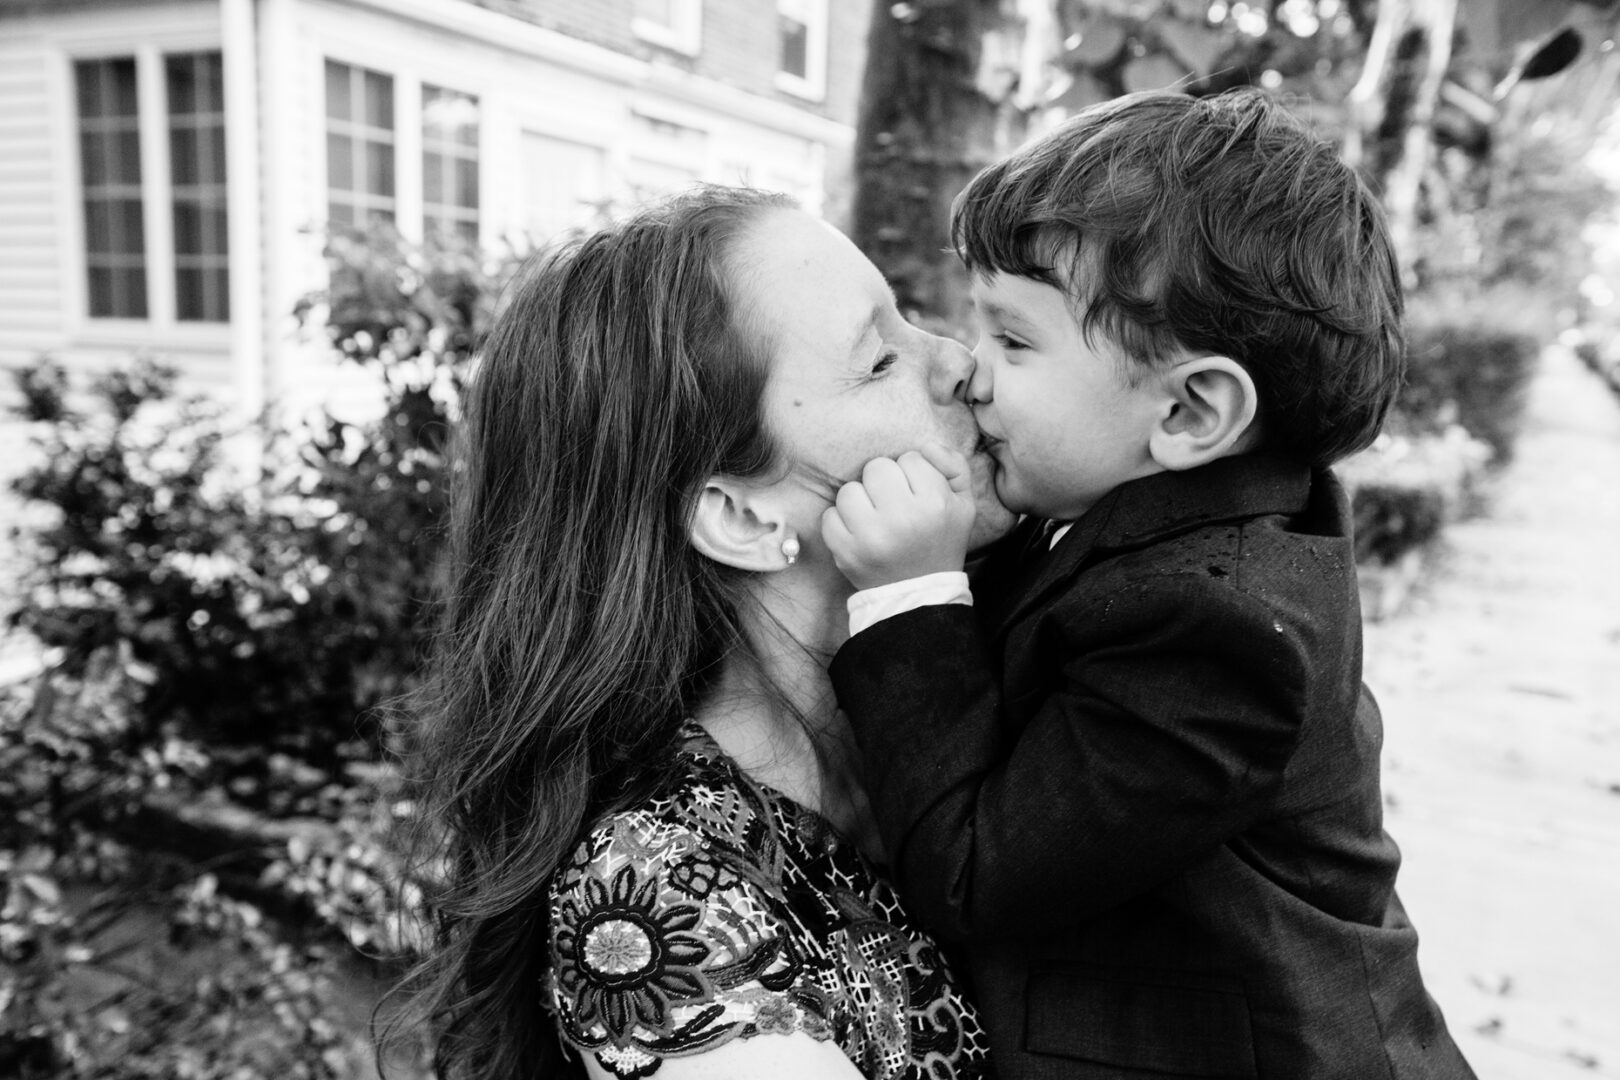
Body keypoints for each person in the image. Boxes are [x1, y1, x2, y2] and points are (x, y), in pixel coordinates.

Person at [821, 90, 1477, 1079]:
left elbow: (975, 871)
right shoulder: (1167, 504)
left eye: (1015, 339)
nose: (969, 370)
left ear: (1193, 410)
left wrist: (909, 598)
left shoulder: (1213, 628)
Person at [394, 185, 1017, 1080]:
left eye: (915, 322)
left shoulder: (1026, 663)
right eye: (881, 360)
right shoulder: (661, 904)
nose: (960, 362)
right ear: (741, 517)